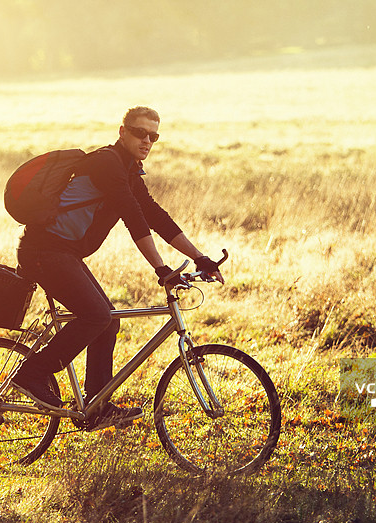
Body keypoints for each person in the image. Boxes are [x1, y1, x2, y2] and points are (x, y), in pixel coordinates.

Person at [12, 106, 224, 430]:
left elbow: (153, 214)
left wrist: (200, 257)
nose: (147, 141)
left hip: (63, 253)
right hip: (44, 251)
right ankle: (32, 374)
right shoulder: (106, 163)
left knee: (107, 321)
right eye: (140, 133)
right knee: (97, 315)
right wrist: (161, 267)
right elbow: (132, 217)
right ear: (122, 131)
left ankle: (96, 406)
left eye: (154, 136)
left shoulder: (128, 170)